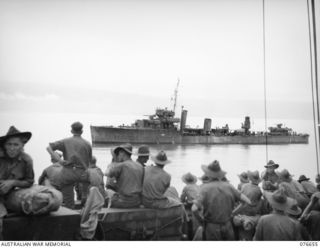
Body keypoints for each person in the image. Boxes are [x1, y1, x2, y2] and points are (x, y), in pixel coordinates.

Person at [192, 160, 252, 241]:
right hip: (228, 226)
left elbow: (194, 208)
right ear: (220, 174)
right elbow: (247, 201)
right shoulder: (229, 186)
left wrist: (201, 220)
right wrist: (233, 213)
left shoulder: (204, 188)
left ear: (208, 174)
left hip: (211, 227)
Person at [47, 121, 92, 209]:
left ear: (71, 131)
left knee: (68, 200)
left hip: (68, 172)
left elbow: (49, 147)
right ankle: (84, 201)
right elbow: (89, 161)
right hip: (83, 172)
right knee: (85, 194)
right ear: (82, 131)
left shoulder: (66, 141)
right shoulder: (87, 144)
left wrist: (59, 160)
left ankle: (70, 209)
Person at [0, 126, 35, 239]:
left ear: (22, 146)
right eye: (9, 144)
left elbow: (29, 181)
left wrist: (13, 182)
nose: (12, 148)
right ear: (4, 145)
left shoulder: (27, 160)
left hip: (8, 195)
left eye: (16, 145)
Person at [105, 143, 143, 208]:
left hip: (123, 202)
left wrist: (114, 162)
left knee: (106, 192)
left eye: (118, 154)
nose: (118, 156)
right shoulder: (140, 166)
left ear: (122, 152)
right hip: (137, 201)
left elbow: (106, 173)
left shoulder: (121, 165)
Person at [232, 170, 264, 240]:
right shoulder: (258, 190)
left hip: (241, 212)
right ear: (258, 181)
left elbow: (240, 198)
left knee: (242, 234)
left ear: (250, 179)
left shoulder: (244, 186)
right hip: (251, 214)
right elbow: (259, 203)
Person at [180, 172, 200, 240]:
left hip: (193, 206)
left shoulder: (186, 187)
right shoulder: (197, 186)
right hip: (199, 205)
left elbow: (181, 200)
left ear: (186, 181)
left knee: (194, 226)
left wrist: (185, 202)